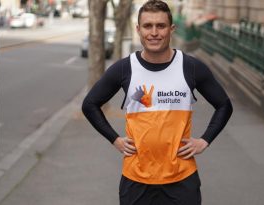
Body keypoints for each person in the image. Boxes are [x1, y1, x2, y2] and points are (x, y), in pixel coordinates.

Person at [82, 0, 233, 204]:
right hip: (136, 179)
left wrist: (204, 141)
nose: (154, 32)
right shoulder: (126, 68)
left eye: (160, 26)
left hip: (182, 179)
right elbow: (90, 104)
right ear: (138, 30)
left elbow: (224, 105)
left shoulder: (190, 67)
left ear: (171, 29)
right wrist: (115, 139)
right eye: (147, 26)